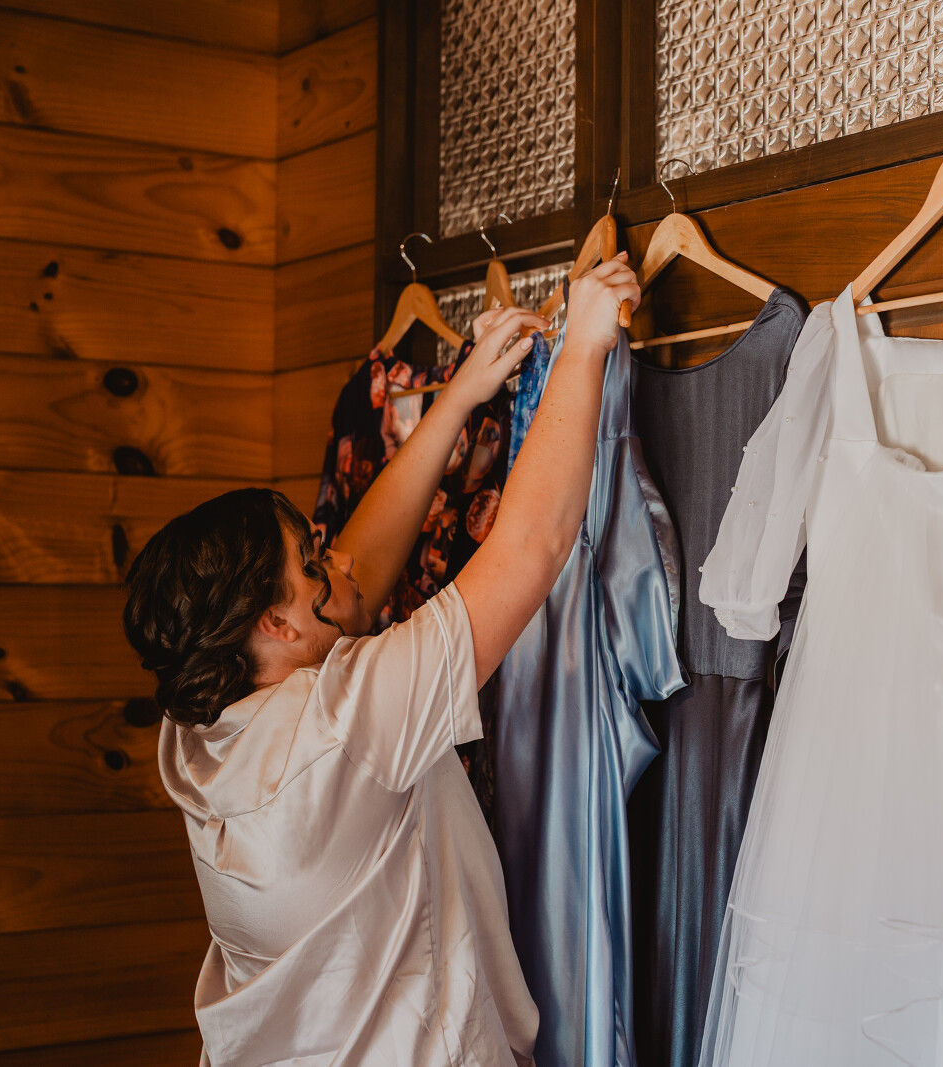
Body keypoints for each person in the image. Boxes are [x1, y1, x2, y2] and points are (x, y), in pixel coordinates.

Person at [122, 256, 642, 1067]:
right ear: (274, 623)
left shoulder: (199, 724)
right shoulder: (341, 723)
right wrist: (584, 347)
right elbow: (533, 547)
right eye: (311, 561)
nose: (335, 561)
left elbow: (358, 577)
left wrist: (460, 396)